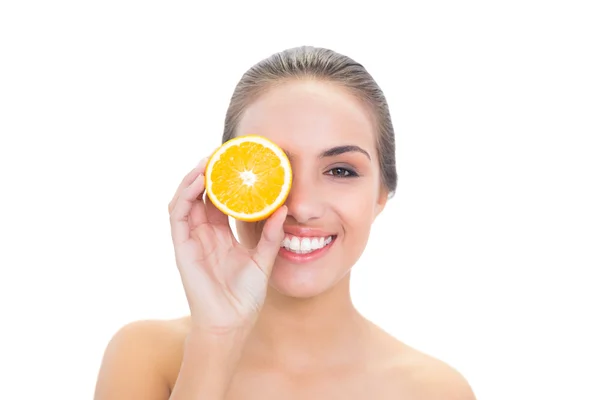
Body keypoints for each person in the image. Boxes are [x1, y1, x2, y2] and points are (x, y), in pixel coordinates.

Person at [94, 46, 476, 399]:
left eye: (340, 170)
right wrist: (215, 338)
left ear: (380, 194)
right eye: (275, 168)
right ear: (225, 178)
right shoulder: (145, 355)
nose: (302, 205)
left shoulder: (435, 389)